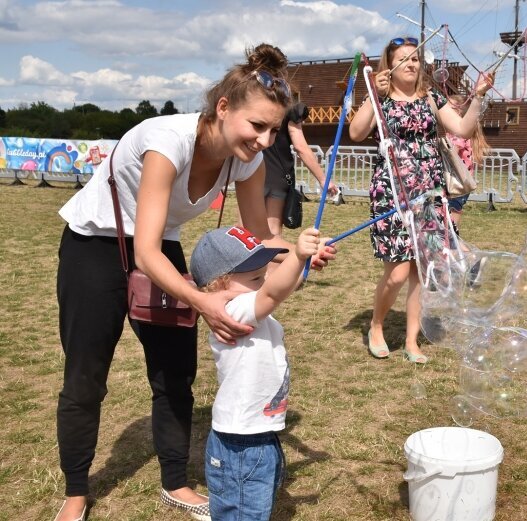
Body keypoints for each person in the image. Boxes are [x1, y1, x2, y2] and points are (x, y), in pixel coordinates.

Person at [53, 44, 335, 521]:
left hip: (157, 244)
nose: (266, 140)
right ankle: (77, 492)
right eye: (257, 125)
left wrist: (301, 255)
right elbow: (143, 253)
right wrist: (202, 302)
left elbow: (261, 243)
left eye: (274, 128)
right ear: (223, 108)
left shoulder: (246, 160)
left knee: (175, 372)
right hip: (95, 244)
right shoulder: (169, 140)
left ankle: (176, 481)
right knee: (86, 376)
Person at [348, 36, 492, 363]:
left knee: (419, 270)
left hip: (428, 192)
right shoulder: (380, 97)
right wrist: (375, 93)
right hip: (392, 191)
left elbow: (463, 128)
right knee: (397, 272)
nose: (412, 64)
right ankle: (377, 324)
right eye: (404, 59)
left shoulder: (431, 97)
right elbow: (356, 132)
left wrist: (478, 96)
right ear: (390, 65)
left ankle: (412, 341)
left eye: (416, 58)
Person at [189, 225, 319, 520]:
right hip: (243, 440)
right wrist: (297, 256)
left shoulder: (244, 301)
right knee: (246, 509)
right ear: (219, 285)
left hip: (255, 432)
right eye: (255, 278)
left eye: (264, 273)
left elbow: (278, 285)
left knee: (250, 504)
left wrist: (308, 259)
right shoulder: (232, 309)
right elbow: (273, 292)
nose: (264, 281)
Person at [263, 101, 338, 238]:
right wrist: (323, 179)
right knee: (272, 234)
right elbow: (300, 147)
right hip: (276, 177)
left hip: (249, 173)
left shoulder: (251, 102)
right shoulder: (288, 108)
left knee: (245, 233)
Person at [446, 94, 490, 229]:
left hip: (459, 182)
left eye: (449, 107)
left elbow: (451, 152)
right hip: (453, 180)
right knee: (448, 211)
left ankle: (455, 241)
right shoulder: (451, 131)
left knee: (453, 212)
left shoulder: (459, 133)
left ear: (458, 111)